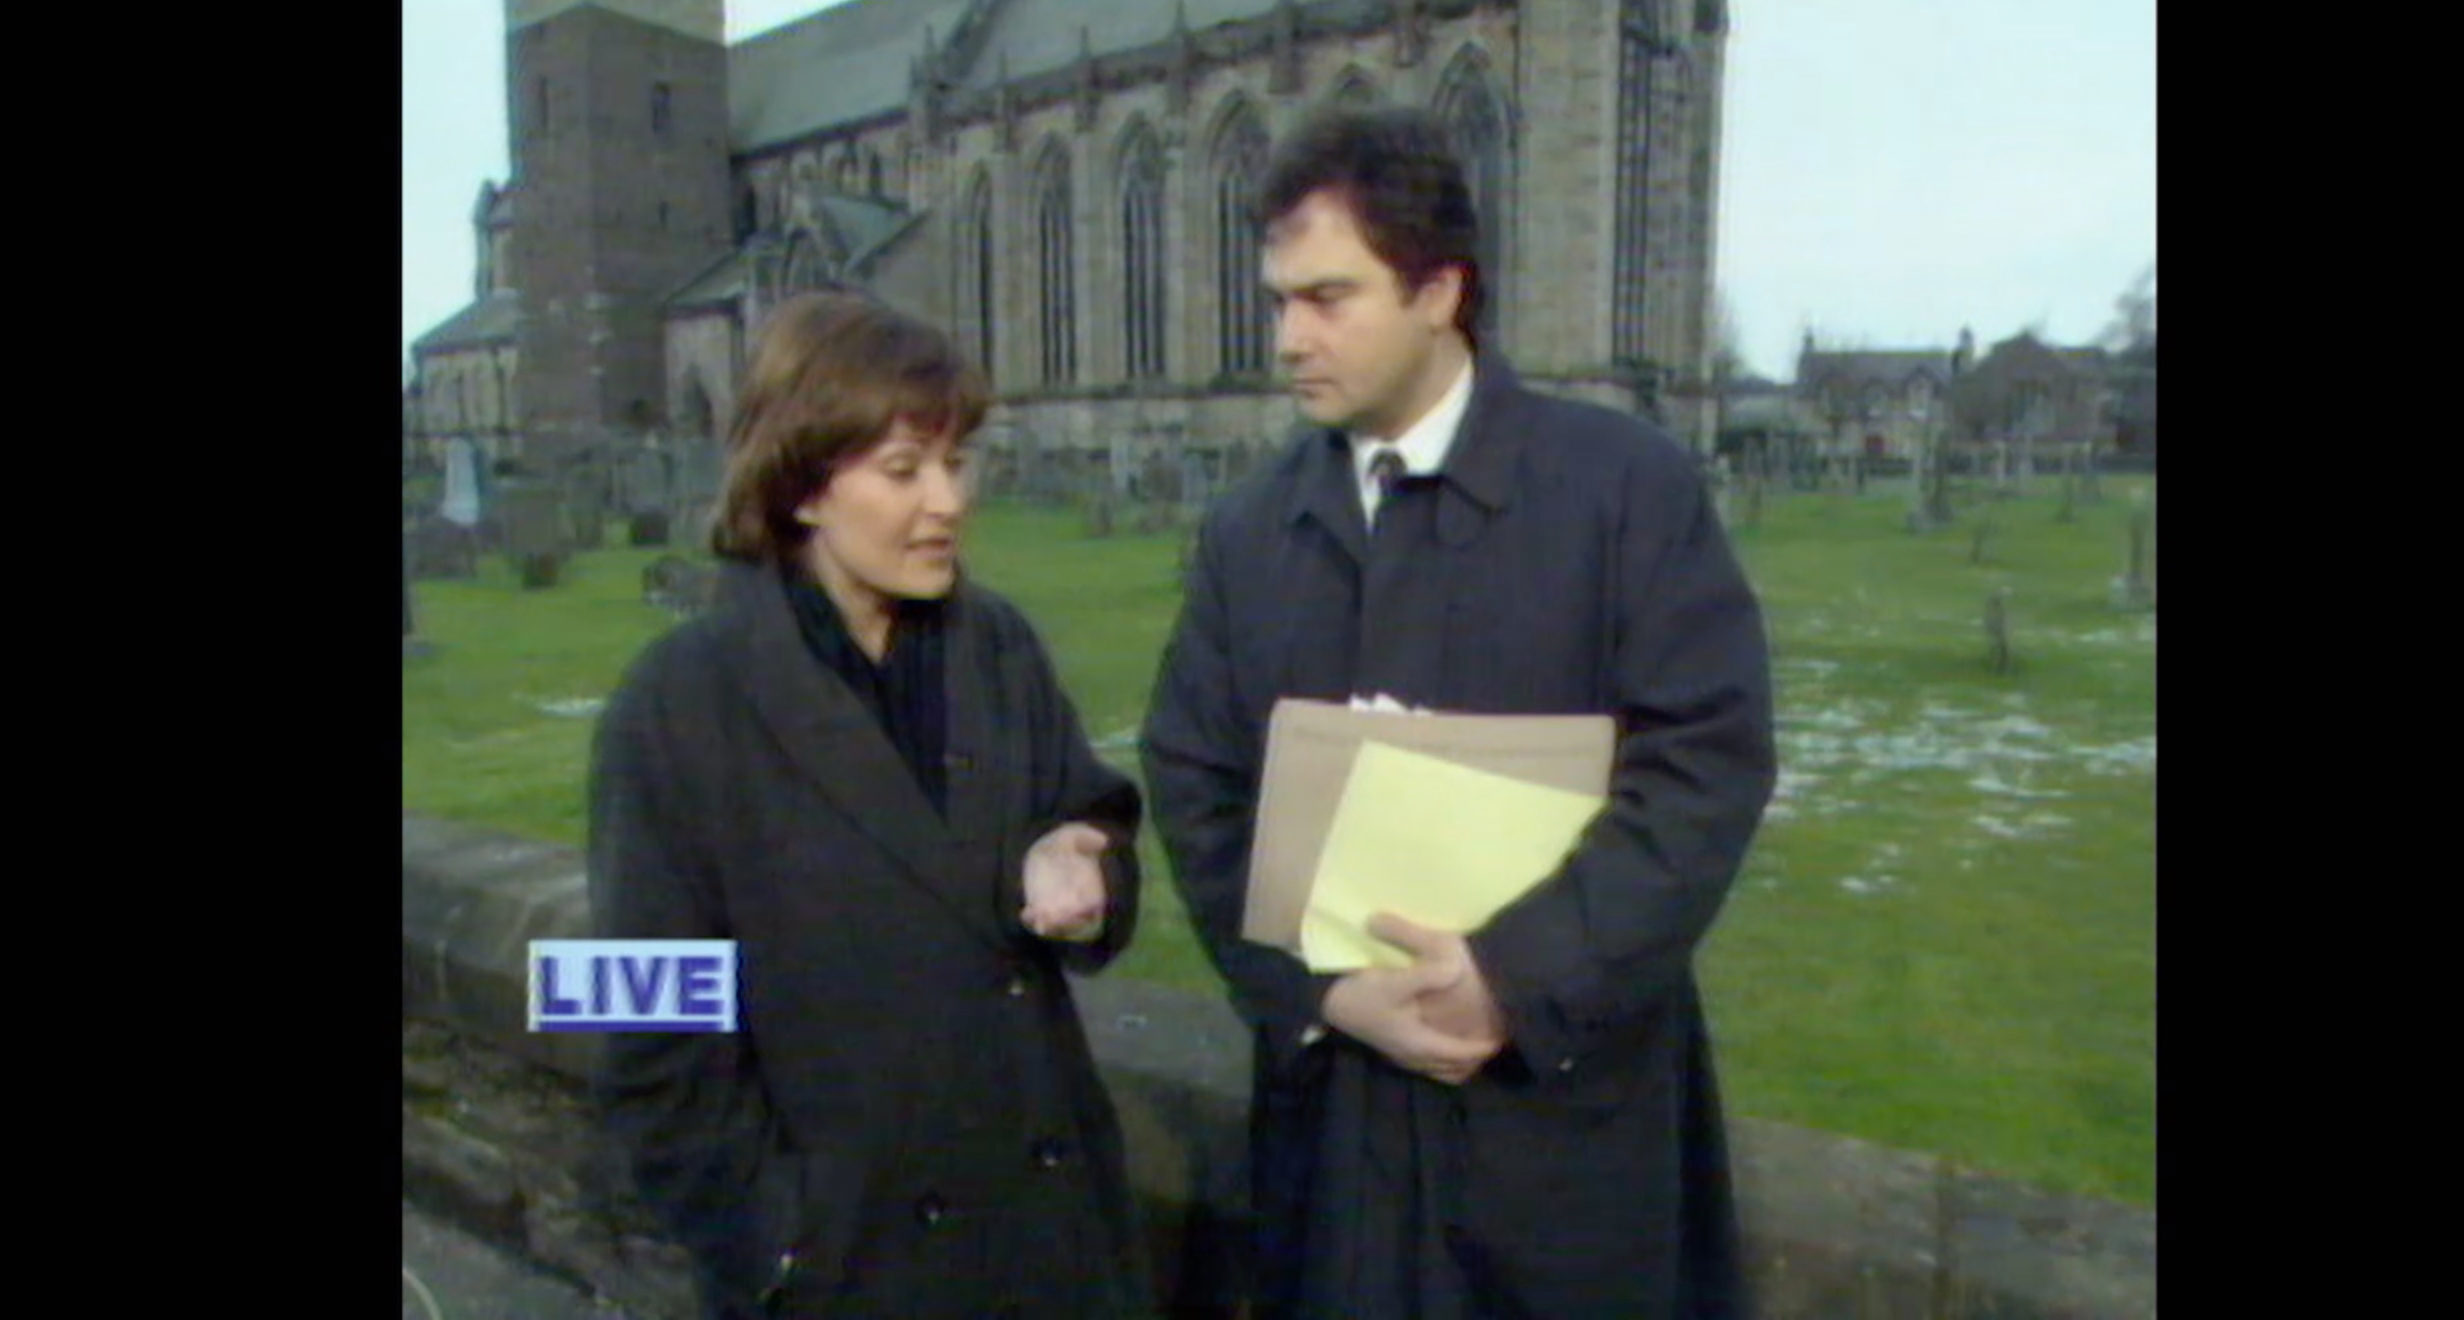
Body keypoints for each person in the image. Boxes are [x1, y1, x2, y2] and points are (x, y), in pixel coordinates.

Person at [1141, 106, 1777, 1318]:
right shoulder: (1246, 532)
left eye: (1328, 298)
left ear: (1439, 290)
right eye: (1279, 300)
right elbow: (1196, 781)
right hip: (1338, 1138)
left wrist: (1518, 975)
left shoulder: (1621, 487)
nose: (1288, 337)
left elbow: (1704, 764)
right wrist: (1316, 996)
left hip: (1560, 1125)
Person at [587, 291, 1153, 1319]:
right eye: (903, 470)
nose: (947, 501)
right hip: (854, 1272)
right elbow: (639, 1045)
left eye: (956, 461)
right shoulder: (668, 709)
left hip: (1051, 1240)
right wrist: (784, 1248)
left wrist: (1085, 861)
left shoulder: (999, 646)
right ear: (801, 485)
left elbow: (1098, 816)